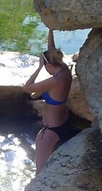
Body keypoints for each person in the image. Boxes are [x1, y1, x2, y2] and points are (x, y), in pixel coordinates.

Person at [24, 28, 73, 173]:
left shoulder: (54, 81)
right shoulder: (65, 70)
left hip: (50, 129)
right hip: (64, 121)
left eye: (45, 66)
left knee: (39, 170)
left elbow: (27, 88)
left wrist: (39, 68)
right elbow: (51, 49)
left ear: (49, 65)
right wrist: (50, 29)